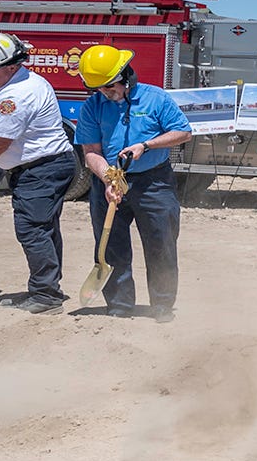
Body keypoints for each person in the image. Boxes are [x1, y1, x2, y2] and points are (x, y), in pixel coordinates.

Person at [0, 31, 77, 313]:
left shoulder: (15, 96)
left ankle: (46, 296)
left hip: (41, 168)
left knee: (33, 229)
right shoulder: (25, 81)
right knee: (43, 228)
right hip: (44, 166)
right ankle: (48, 288)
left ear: (11, 65)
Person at [72, 45, 192, 322]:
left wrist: (146, 145)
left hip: (154, 182)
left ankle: (162, 305)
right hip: (110, 183)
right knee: (111, 245)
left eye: (109, 86)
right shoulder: (93, 106)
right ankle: (120, 304)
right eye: (99, 88)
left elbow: (183, 132)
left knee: (161, 243)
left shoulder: (156, 98)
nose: (104, 92)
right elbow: (91, 151)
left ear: (125, 77)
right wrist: (107, 179)